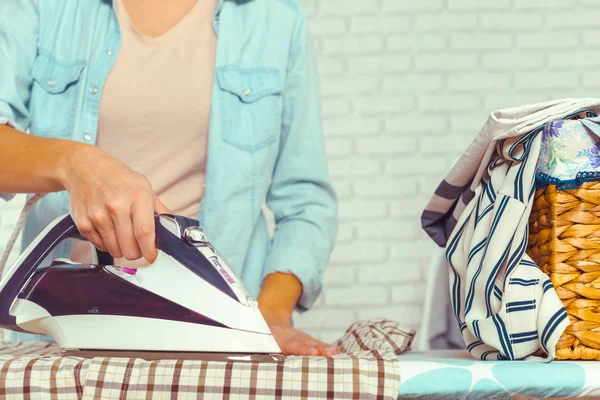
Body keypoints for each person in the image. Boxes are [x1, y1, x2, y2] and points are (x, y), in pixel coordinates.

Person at [0, 0, 338, 356]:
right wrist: (75, 164)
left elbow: (306, 201)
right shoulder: (44, 7)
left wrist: (269, 317)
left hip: (223, 347)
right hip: (66, 342)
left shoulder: (272, 17)